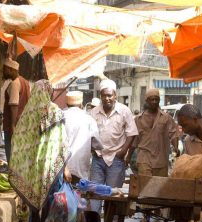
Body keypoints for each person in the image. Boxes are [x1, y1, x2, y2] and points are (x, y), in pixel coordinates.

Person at [9, 80, 67, 222]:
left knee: (36, 209)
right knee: (50, 209)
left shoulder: (27, 113)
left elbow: (18, 141)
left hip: (32, 171)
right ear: (49, 93)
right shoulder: (54, 112)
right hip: (50, 169)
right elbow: (61, 142)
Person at [89, 79, 138, 213]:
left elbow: (132, 133)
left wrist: (123, 151)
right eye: (104, 95)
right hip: (98, 158)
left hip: (116, 159)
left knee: (113, 195)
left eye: (109, 95)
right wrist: (92, 148)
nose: (107, 98)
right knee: (95, 194)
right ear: (100, 96)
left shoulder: (124, 111)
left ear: (115, 95)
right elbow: (89, 133)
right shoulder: (93, 112)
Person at [133, 89, 178, 177]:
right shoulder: (138, 119)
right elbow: (134, 140)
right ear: (146, 101)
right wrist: (128, 156)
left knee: (158, 187)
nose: (154, 102)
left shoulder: (166, 118)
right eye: (151, 99)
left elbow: (173, 133)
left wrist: (176, 147)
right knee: (145, 186)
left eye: (156, 99)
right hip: (144, 158)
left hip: (161, 160)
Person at [63, 90, 98, 182]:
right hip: (80, 167)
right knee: (78, 194)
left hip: (61, 167)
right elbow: (96, 144)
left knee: (62, 195)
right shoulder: (89, 119)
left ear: (67, 103)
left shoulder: (60, 116)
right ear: (81, 104)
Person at [3, 58, 30, 163]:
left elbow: (14, 105)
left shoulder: (15, 83)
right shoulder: (25, 82)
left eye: (5, 69)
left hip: (14, 126)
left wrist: (12, 126)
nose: (4, 72)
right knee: (20, 158)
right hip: (24, 125)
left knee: (12, 158)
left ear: (11, 69)